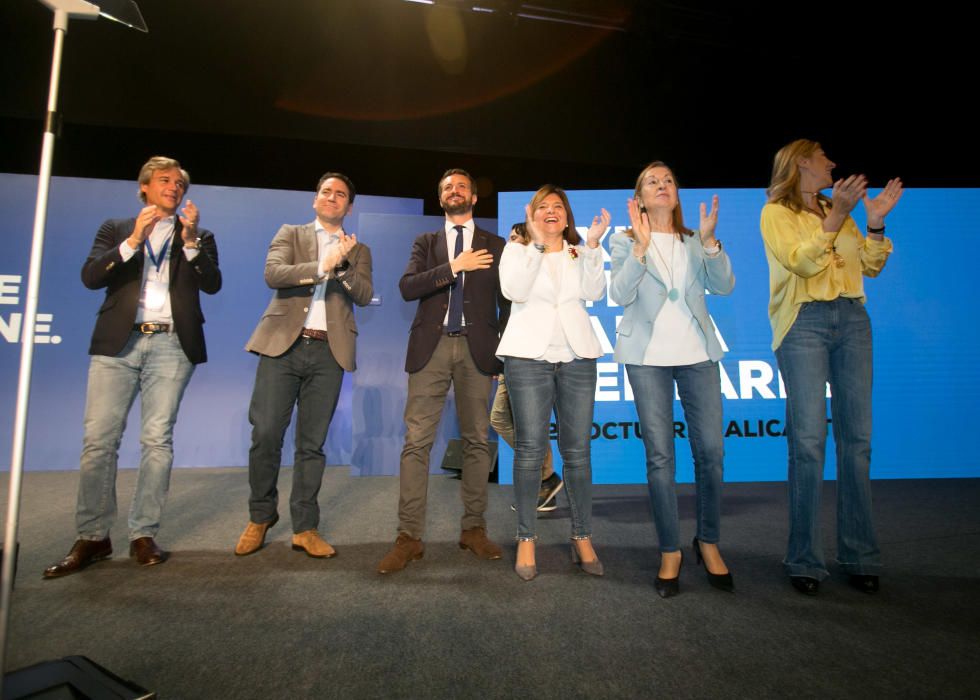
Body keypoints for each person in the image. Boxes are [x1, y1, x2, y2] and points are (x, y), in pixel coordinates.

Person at [43, 156, 221, 578]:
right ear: (143, 187)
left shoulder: (198, 234)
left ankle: (143, 533)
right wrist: (134, 241)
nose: (174, 187)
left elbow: (212, 283)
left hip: (172, 345)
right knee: (98, 443)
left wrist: (192, 242)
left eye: (180, 183)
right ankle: (92, 536)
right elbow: (91, 276)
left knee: (157, 441)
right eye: (165, 180)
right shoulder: (116, 229)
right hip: (116, 346)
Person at [760, 139, 902, 596]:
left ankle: (859, 555)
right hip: (804, 322)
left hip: (853, 319)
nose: (833, 164)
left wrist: (875, 223)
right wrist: (837, 217)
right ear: (803, 161)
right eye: (824, 157)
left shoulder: (832, 206)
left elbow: (870, 265)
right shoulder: (776, 213)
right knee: (807, 442)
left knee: (857, 441)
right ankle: (804, 558)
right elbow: (801, 262)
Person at [609, 162, 735, 597]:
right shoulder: (624, 241)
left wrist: (712, 242)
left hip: (698, 355)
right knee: (661, 457)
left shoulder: (696, 241)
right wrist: (641, 250)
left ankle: (709, 540)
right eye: (651, 182)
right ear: (639, 198)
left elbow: (725, 286)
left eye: (668, 181)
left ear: (676, 193)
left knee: (712, 452)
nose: (662, 186)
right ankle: (670, 551)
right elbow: (619, 295)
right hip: (647, 359)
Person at [377, 169, 510, 574]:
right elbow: (407, 287)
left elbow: (508, 303)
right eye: (448, 188)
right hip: (429, 350)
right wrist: (455, 266)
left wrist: (501, 355)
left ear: (473, 197)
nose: (455, 191)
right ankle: (409, 537)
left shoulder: (497, 244)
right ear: (441, 200)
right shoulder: (427, 242)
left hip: (477, 351)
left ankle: (473, 530)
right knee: (416, 442)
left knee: (475, 441)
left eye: (462, 186)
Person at [235, 172, 373, 559]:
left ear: (348, 205)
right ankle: (260, 516)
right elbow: (273, 274)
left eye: (340, 194)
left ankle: (305, 527)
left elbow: (364, 294)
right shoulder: (290, 234)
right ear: (316, 200)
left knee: (311, 444)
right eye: (326, 192)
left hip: (329, 353)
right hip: (282, 348)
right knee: (265, 433)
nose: (332, 197)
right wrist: (321, 264)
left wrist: (342, 265)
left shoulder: (358, 249)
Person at [495, 185, 609, 581]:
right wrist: (537, 245)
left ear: (567, 215)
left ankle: (582, 535)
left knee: (577, 452)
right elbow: (514, 290)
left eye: (557, 207)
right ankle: (527, 537)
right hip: (528, 358)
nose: (551, 212)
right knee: (529, 451)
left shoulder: (580, 252)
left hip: (577, 358)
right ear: (532, 214)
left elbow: (595, 292)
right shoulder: (517, 250)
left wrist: (593, 247)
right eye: (543, 207)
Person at [490, 223, 562, 514]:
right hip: (511, 354)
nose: (512, 241)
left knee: (518, 422)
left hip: (529, 357)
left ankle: (545, 478)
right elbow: (504, 318)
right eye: (510, 237)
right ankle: (545, 481)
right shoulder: (509, 269)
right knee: (504, 421)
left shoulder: (535, 268)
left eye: (518, 236)